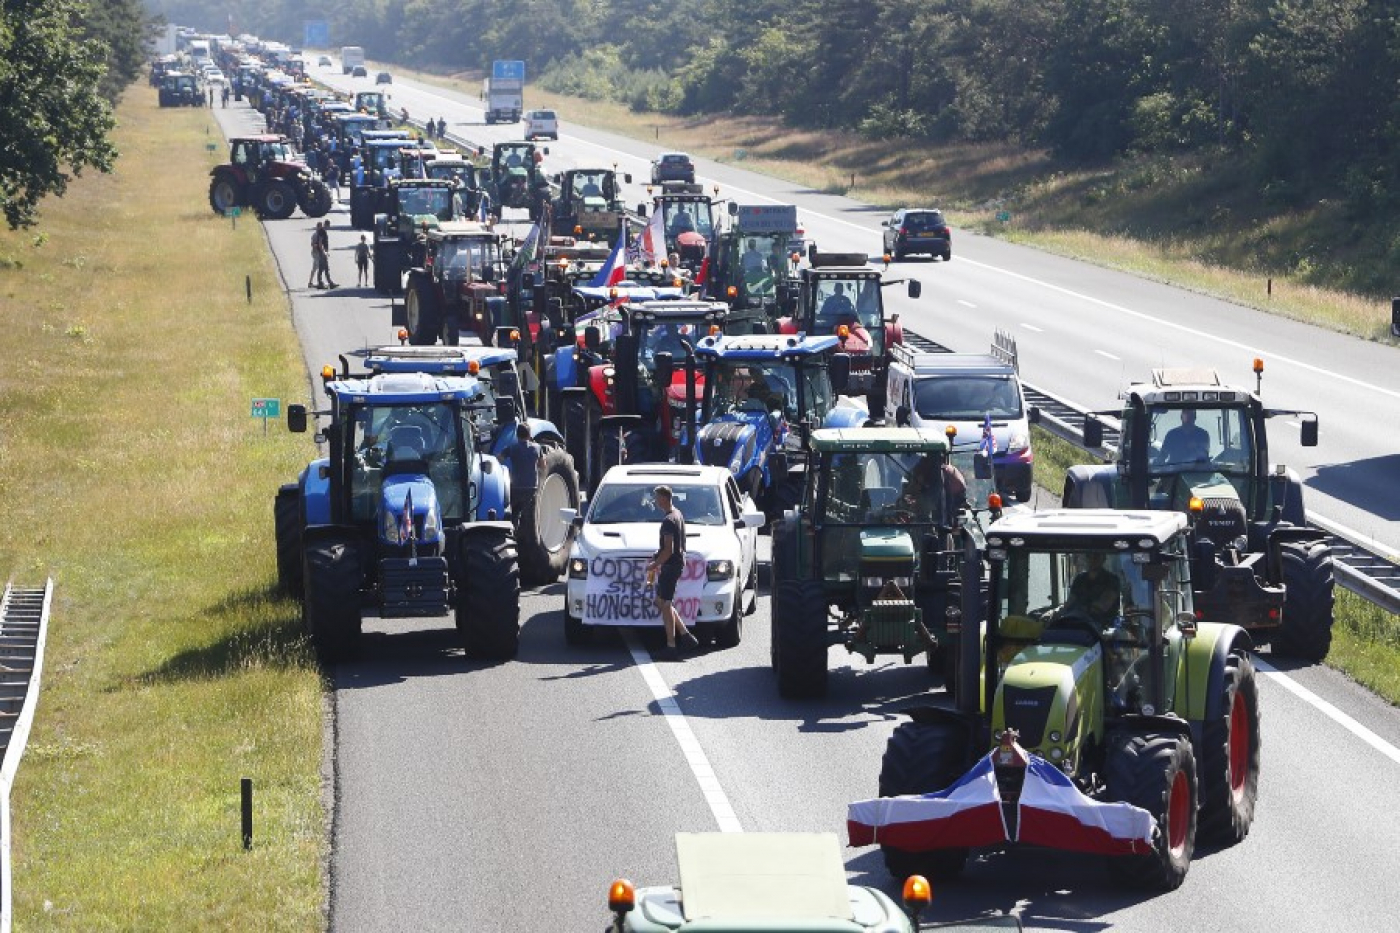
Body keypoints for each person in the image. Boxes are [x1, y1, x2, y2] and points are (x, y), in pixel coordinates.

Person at [645, 485, 700, 659]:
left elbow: (668, 550)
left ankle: (671, 646)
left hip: (671, 566)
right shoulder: (678, 514)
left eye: (656, 498)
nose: (655, 501)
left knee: (666, 604)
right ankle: (685, 635)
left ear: (663, 498)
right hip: (675, 564)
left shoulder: (668, 520)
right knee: (661, 602)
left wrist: (654, 564)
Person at [1057, 553, 1123, 626]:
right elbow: (1069, 602)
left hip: (1103, 626)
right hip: (1077, 622)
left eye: (1096, 556)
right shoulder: (1079, 579)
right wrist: (1056, 612)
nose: (1092, 559)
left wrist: (1079, 609)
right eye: (1089, 556)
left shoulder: (1112, 580)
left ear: (1103, 558)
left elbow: (1102, 606)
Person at [503, 424, 543, 532]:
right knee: (529, 514)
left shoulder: (512, 448)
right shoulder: (538, 447)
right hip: (532, 487)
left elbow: (498, 458)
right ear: (529, 435)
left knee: (514, 512)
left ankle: (514, 532)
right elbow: (542, 465)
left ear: (517, 435)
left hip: (516, 487)